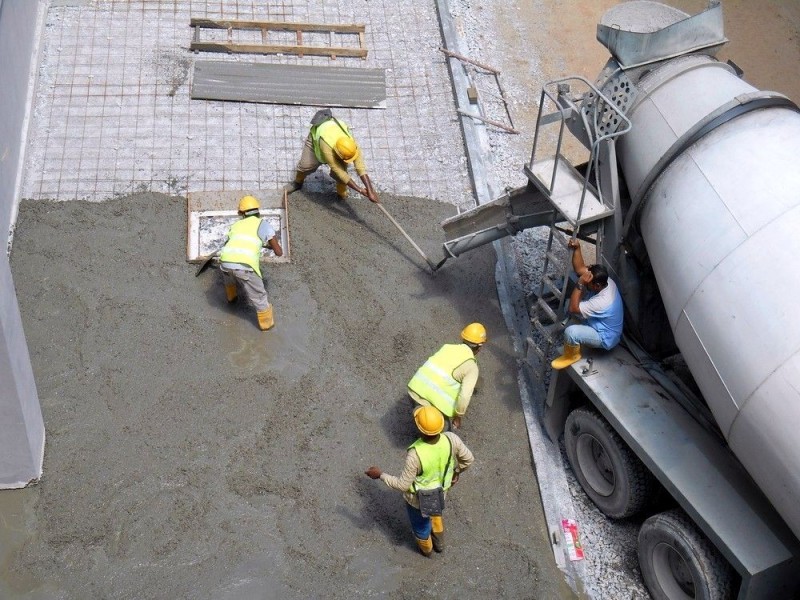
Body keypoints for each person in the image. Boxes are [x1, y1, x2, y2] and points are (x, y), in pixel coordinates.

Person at [365, 406, 474, 557]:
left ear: (420, 429)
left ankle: (427, 550)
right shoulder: (451, 439)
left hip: (418, 500)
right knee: (436, 514)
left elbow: (403, 485)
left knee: (421, 526)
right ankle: (440, 545)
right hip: (441, 492)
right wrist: (456, 472)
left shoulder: (415, 455)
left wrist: (380, 475)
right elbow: (468, 459)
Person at [551, 238, 623, 369]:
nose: (585, 280)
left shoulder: (603, 302)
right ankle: (574, 326)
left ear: (596, 286)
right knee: (570, 301)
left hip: (604, 336)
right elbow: (580, 269)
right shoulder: (605, 280)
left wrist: (580, 283)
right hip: (598, 321)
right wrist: (577, 248)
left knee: (571, 332)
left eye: (588, 281)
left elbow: (573, 309)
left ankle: (572, 355)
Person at [285, 108, 379, 203]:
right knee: (305, 165)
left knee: (341, 177)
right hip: (317, 140)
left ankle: (342, 194)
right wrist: (360, 190)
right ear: (337, 153)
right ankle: (297, 183)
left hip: (333, 138)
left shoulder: (352, 146)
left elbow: (361, 168)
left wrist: (370, 191)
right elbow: (339, 172)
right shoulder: (327, 146)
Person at [219, 195, 283, 331]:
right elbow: (278, 252)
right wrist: (273, 245)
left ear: (241, 213)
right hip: (245, 267)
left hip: (225, 263)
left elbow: (229, 242)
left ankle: (232, 299)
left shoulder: (235, 225)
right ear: (258, 211)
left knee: (230, 278)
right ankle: (267, 327)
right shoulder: (263, 224)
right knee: (259, 297)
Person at [407, 323, 486, 429]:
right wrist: (458, 417)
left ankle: (418, 417)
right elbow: (465, 396)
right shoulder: (472, 368)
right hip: (434, 407)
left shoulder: (447, 347)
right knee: (444, 435)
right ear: (479, 347)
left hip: (414, 391)